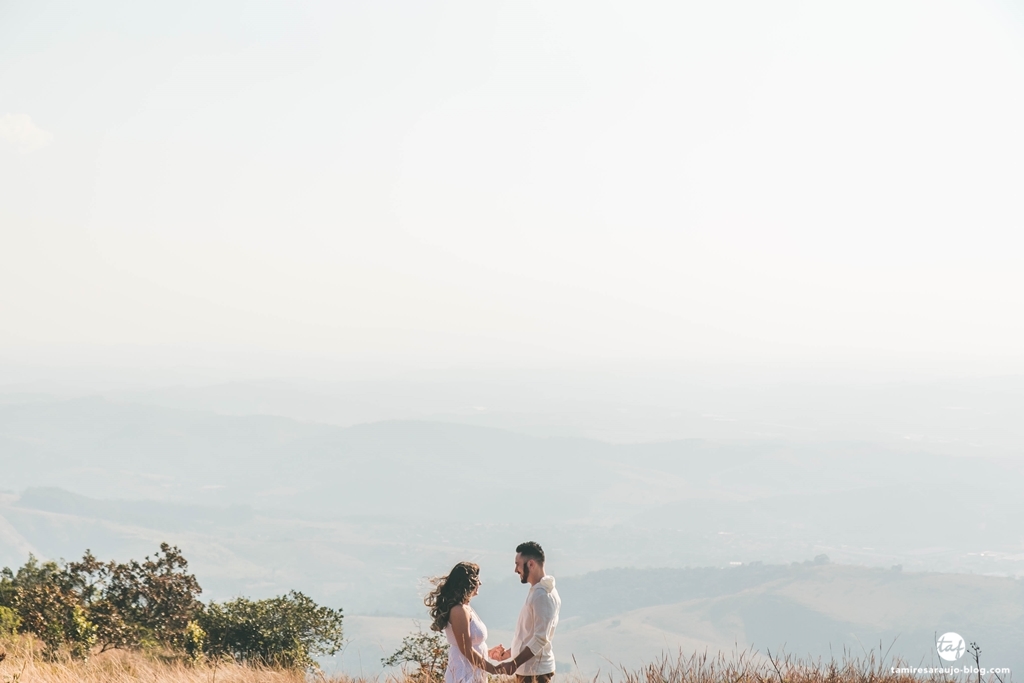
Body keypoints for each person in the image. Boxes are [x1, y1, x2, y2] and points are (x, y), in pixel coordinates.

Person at [489, 542, 561, 683]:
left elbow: (540, 638)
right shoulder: (538, 591)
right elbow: (529, 636)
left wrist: (514, 664)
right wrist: (509, 653)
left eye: (518, 564)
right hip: (529, 671)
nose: (516, 570)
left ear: (531, 564)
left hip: (534, 673)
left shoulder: (542, 595)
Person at [426, 561, 506, 683]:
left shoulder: (466, 608)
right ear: (468, 583)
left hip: (473, 673)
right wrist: (494, 670)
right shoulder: (459, 611)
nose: (480, 583)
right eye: (477, 579)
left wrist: (488, 651)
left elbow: (469, 645)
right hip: (463, 674)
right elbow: (465, 649)